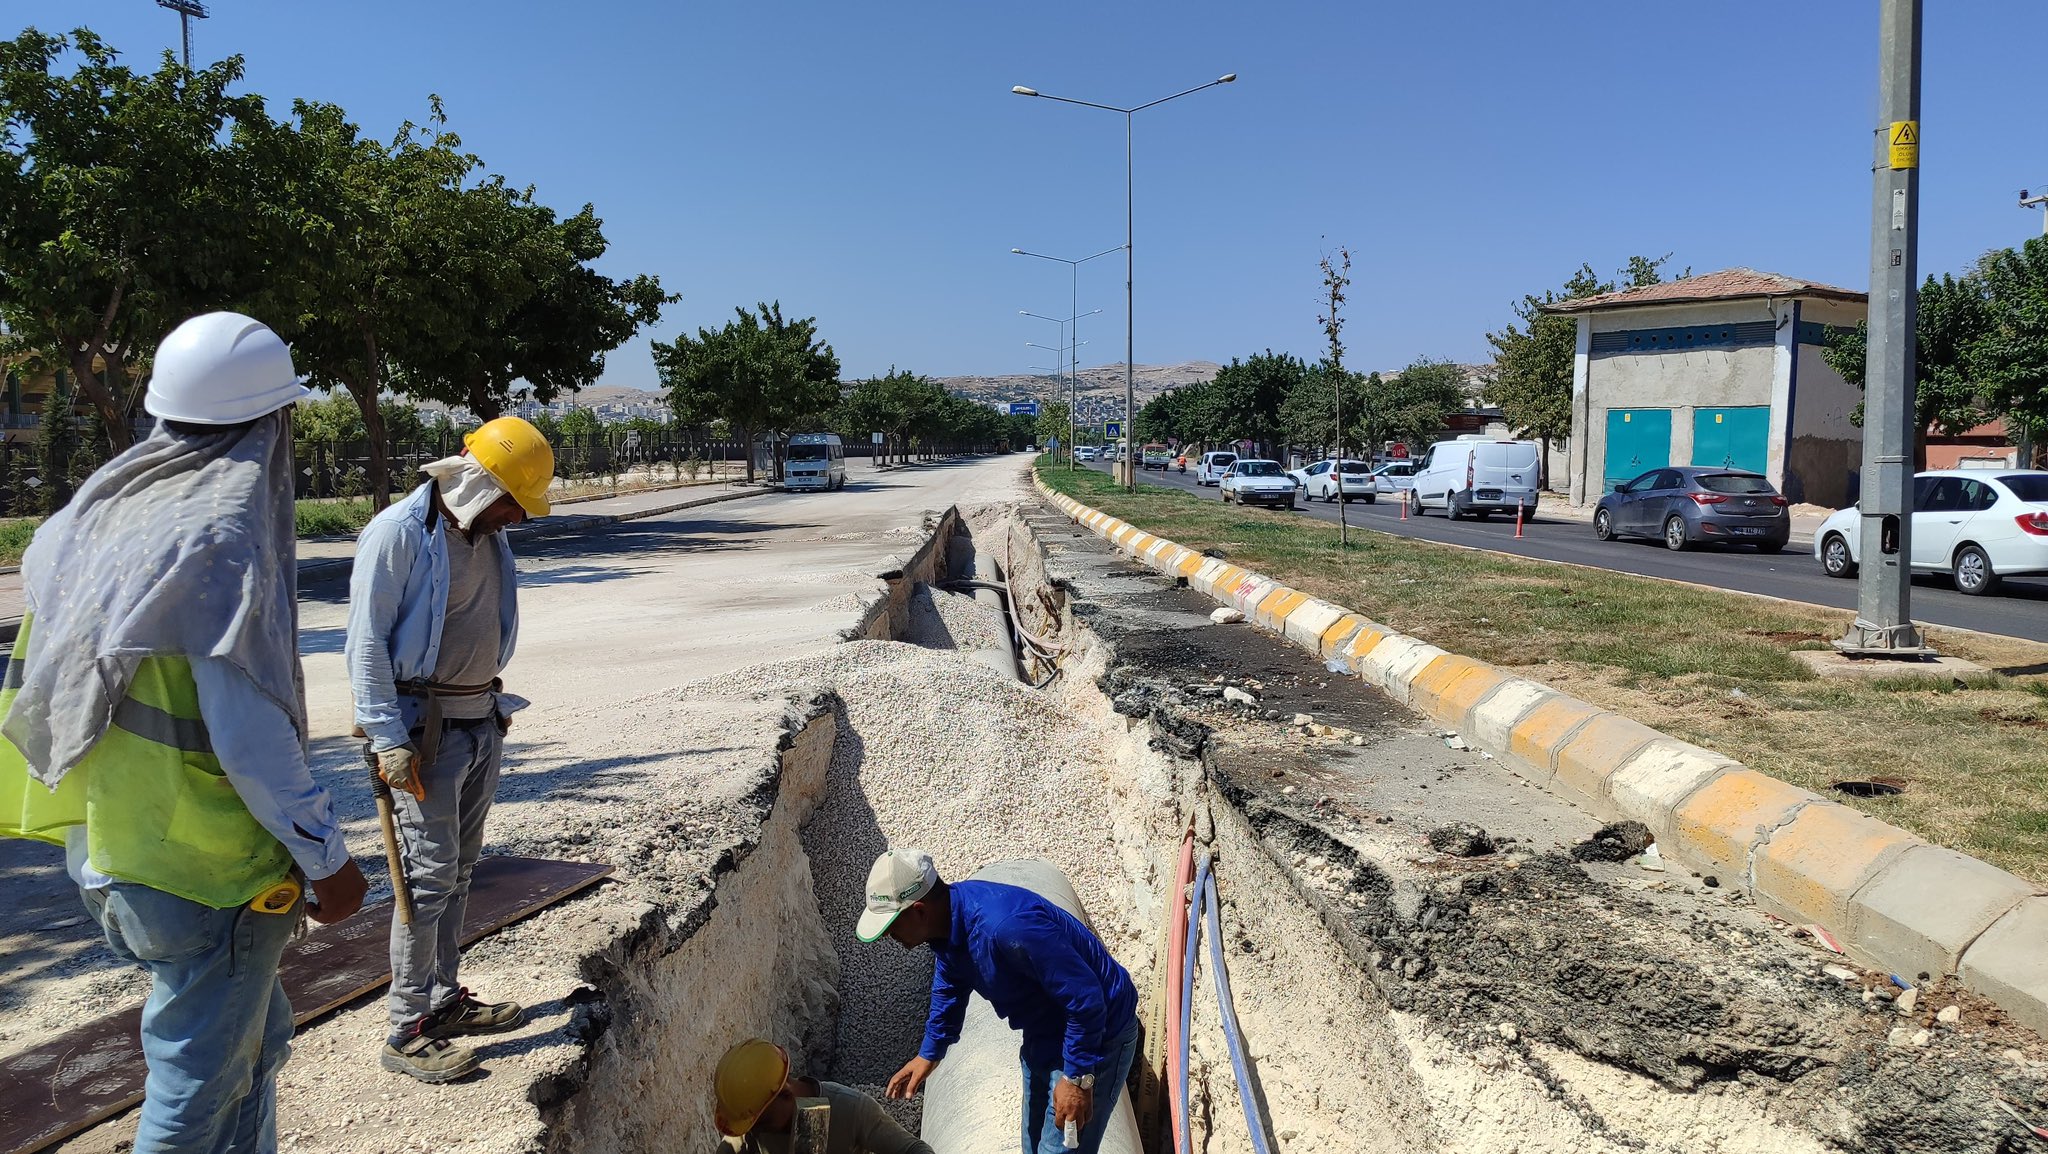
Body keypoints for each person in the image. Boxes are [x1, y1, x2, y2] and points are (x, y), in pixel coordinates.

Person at [0, 311, 369, 1153]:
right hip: (203, 869)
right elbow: (248, 736)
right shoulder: (218, 541)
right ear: (269, 425)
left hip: (108, 850)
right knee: (195, 1086)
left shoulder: (85, 524)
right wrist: (327, 858)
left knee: (253, 1046)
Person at [344, 415, 553, 1083]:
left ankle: (443, 998)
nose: (518, 517)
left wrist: (489, 712)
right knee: (425, 882)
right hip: (422, 735)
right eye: (513, 502)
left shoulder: (485, 538)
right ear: (480, 485)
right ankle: (406, 1027)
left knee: (461, 874)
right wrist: (385, 738)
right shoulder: (398, 535)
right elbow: (366, 644)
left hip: (479, 722)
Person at [864, 849, 1140, 1154]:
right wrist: (930, 1052)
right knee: (1032, 1145)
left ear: (919, 910)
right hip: (1045, 1031)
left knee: (1060, 1148)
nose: (890, 936)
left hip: (1099, 1034)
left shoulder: (1006, 927)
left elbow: (1087, 999)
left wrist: (1076, 1079)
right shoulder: (946, 925)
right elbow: (950, 983)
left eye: (891, 926)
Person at [712, 1038, 933, 1154]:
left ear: (785, 1096)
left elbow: (913, 1149)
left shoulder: (850, 1110)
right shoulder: (752, 1118)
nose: (755, 1131)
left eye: (763, 1122)